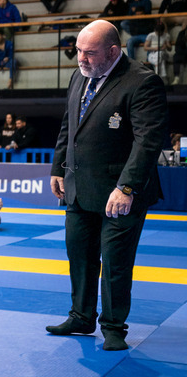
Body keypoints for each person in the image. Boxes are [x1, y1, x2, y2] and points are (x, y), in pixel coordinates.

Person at [47, 19, 169, 351]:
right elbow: (69, 126)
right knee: (79, 255)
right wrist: (58, 168)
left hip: (120, 192)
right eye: (78, 51)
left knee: (115, 262)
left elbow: (148, 141)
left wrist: (127, 186)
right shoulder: (79, 76)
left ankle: (114, 327)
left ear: (113, 52)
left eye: (89, 52)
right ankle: (81, 316)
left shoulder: (142, 81)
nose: (81, 58)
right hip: (78, 187)